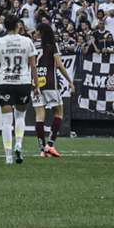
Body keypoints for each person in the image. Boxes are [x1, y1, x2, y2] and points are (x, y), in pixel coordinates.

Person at [0, 12, 37, 167]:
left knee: (7, 122)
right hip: (23, 82)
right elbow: (33, 66)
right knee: (21, 117)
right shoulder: (27, 41)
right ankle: (19, 144)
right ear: (18, 26)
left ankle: (8, 156)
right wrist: (36, 85)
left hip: (5, 82)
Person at [31, 18, 73, 157]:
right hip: (49, 82)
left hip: (35, 83)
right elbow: (60, 65)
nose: (35, 33)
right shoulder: (52, 45)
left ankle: (42, 150)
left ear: (40, 32)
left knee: (39, 116)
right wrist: (70, 81)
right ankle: (50, 145)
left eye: (37, 31)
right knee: (59, 112)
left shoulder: (32, 45)